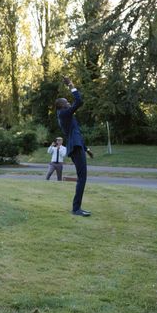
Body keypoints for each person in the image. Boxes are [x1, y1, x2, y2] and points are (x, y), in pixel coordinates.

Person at [55, 77, 91, 217]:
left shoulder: (65, 114)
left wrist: (86, 149)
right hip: (75, 147)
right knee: (82, 178)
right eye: (66, 102)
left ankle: (77, 208)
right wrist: (71, 85)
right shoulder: (64, 114)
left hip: (77, 146)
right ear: (61, 106)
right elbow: (79, 101)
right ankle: (76, 209)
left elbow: (75, 133)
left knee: (82, 177)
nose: (69, 103)